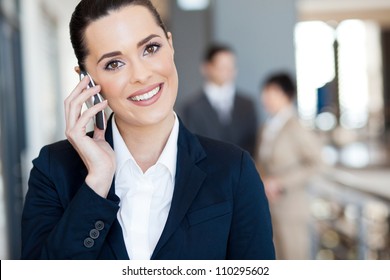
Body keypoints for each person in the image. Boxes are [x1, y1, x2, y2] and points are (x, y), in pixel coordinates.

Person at [21, 0, 275, 260]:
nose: (141, 75)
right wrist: (96, 184)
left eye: (151, 48)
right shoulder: (53, 170)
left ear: (170, 45)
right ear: (86, 79)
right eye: (114, 64)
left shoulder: (234, 170)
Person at [255, 72, 323, 260]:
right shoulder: (267, 127)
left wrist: (281, 182)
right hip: (270, 207)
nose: (265, 97)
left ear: (287, 95)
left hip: (292, 210)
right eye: (265, 92)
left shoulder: (296, 126)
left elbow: (316, 163)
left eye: (271, 92)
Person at [182, 44, 258, 157]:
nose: (228, 71)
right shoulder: (191, 107)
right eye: (222, 67)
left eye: (231, 66)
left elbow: (253, 144)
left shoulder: (247, 104)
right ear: (206, 68)